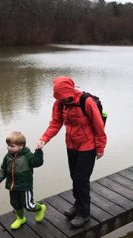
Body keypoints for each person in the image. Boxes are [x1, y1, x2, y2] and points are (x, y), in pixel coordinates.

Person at [36, 76, 107, 227]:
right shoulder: (60, 103)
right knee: (74, 177)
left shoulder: (86, 102)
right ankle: (77, 204)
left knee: (81, 179)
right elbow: (55, 123)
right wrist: (44, 139)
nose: (64, 102)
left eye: (66, 99)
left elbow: (99, 126)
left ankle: (84, 213)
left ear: (70, 92)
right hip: (71, 144)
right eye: (61, 99)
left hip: (88, 146)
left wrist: (100, 147)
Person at [0, 131, 46, 230]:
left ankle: (41, 208)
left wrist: (38, 151)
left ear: (21, 146)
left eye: (12, 146)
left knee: (28, 205)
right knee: (15, 204)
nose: (9, 148)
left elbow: (37, 162)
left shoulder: (27, 155)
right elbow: (3, 169)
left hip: (24, 186)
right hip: (12, 186)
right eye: (8, 146)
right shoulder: (8, 156)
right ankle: (21, 218)